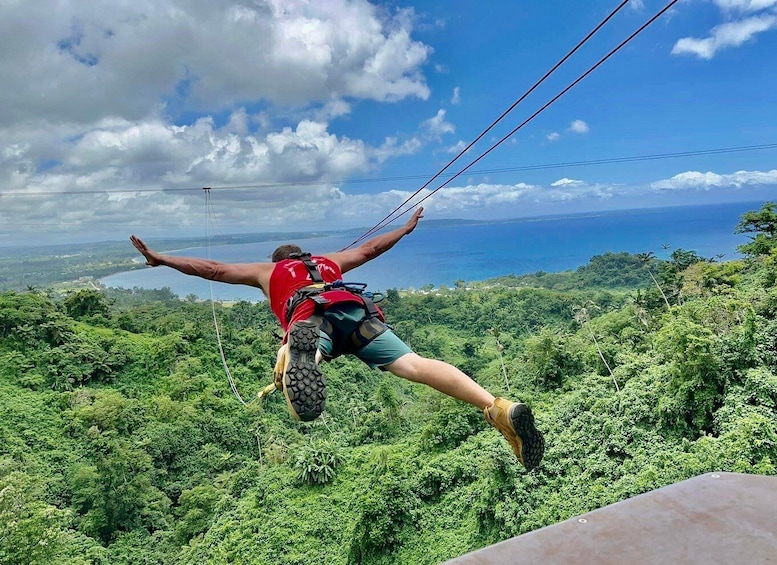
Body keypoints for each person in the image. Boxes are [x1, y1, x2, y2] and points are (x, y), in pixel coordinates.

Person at [130, 208, 544, 470]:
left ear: (278, 262)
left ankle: (293, 354)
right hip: (359, 313)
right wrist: (404, 229)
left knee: (298, 350)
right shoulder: (329, 263)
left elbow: (214, 269)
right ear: (305, 255)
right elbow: (368, 251)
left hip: (313, 317)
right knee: (414, 365)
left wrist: (162, 259)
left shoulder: (268, 271)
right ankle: (497, 408)